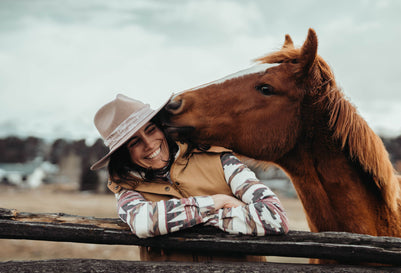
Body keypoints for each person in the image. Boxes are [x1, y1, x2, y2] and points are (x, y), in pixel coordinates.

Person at [90, 94, 289, 262]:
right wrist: (219, 201)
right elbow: (143, 222)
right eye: (134, 142)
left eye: (151, 130)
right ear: (123, 154)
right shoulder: (127, 187)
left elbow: (275, 217)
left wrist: (176, 223)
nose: (149, 144)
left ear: (161, 127)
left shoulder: (220, 159)